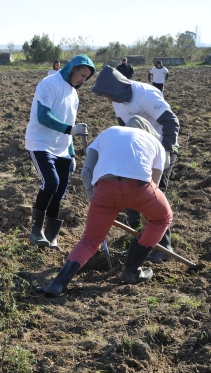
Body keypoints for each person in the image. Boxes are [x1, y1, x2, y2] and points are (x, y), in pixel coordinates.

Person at [37, 117, 172, 297]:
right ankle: (132, 270)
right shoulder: (156, 144)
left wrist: (96, 202)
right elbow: (153, 185)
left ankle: (56, 285)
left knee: (89, 241)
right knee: (163, 218)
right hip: (140, 188)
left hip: (104, 189)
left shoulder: (107, 133)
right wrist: (147, 224)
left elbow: (86, 171)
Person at [91, 65, 180, 262]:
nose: (108, 100)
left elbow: (171, 122)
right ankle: (138, 244)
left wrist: (165, 152)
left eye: (109, 95)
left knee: (154, 199)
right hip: (137, 153)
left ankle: (162, 248)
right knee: (130, 198)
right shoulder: (117, 100)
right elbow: (124, 129)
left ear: (119, 88)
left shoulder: (145, 94)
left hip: (160, 148)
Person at [25, 54, 96, 249]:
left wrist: (71, 153)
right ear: (73, 68)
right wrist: (69, 130)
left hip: (62, 147)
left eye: (86, 77)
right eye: (82, 74)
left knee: (60, 190)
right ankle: (36, 230)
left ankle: (51, 234)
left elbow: (71, 124)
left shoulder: (74, 94)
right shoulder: (49, 83)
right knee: (51, 182)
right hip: (40, 143)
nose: (83, 80)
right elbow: (42, 116)